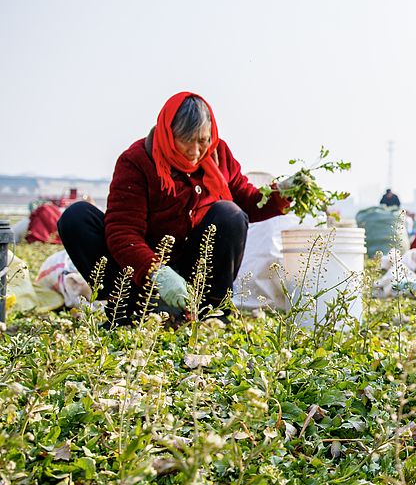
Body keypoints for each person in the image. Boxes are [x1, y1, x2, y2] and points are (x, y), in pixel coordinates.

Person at [58, 92, 292, 326]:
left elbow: (248, 201)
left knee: (229, 214)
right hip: (142, 273)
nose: (195, 151)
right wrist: (156, 273)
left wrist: (284, 192)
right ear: (169, 135)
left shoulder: (218, 155)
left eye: (203, 140)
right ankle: (126, 308)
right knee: (76, 218)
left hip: (193, 268)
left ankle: (210, 313)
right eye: (186, 140)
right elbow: (123, 232)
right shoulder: (138, 161)